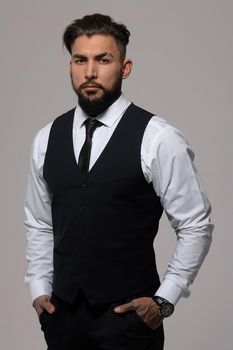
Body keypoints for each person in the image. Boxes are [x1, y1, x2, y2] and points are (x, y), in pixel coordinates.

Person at [24, 13, 213, 350]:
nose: (90, 71)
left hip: (128, 321)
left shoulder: (158, 138)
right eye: (80, 60)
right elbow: (39, 222)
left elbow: (195, 223)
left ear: (124, 67)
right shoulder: (45, 138)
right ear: (71, 66)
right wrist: (39, 289)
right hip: (62, 320)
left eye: (103, 59)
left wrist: (163, 301)